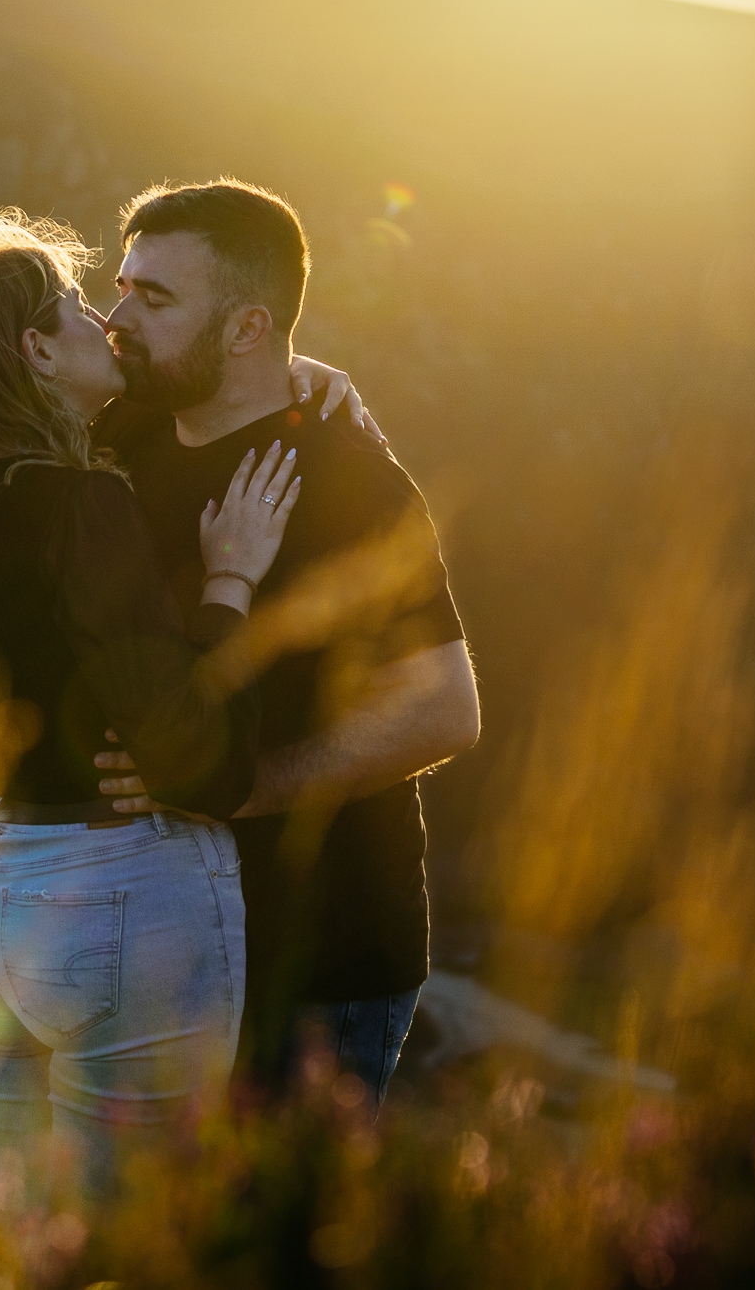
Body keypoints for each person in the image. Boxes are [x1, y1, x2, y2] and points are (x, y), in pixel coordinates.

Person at [0, 209, 358, 1211]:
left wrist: (298, 376)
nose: (106, 321)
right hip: (117, 893)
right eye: (76, 308)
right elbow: (205, 763)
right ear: (35, 350)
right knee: (135, 1230)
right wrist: (229, 581)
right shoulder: (82, 507)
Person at [91, 179, 480, 1112]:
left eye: (155, 298)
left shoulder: (352, 484)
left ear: (245, 329)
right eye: (123, 285)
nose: (117, 317)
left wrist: (239, 784)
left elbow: (446, 707)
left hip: (316, 961)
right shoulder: (129, 424)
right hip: (148, 945)